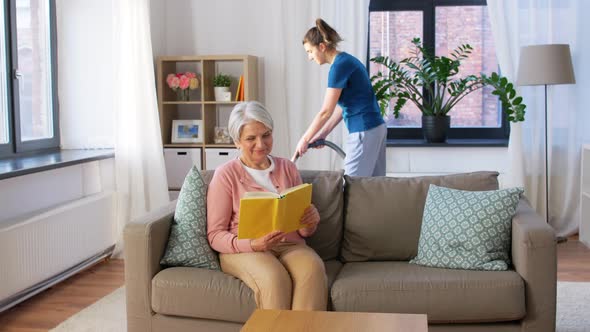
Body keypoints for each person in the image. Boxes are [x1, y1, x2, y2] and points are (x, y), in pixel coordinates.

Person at [207, 101, 328, 310]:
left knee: (313, 269)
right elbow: (215, 235)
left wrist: (310, 222)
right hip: (245, 250)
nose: (261, 144)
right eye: (251, 139)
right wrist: (252, 245)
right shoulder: (226, 175)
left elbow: (304, 231)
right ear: (237, 141)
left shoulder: (288, 167)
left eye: (266, 135)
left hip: (290, 245)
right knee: (274, 278)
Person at [293, 18, 387, 177]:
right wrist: (323, 134)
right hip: (375, 127)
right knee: (375, 187)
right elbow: (342, 107)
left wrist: (304, 139)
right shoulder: (347, 60)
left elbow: (325, 112)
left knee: (350, 187)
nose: (309, 57)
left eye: (310, 51)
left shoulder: (339, 67)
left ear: (321, 47)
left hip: (363, 130)